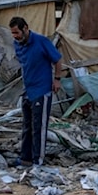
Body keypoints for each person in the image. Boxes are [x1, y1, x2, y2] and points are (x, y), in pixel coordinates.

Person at [10, 16, 62, 167]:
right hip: (28, 90)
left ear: (25, 28)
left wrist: (57, 79)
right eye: (12, 33)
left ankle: (37, 161)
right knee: (27, 126)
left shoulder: (41, 41)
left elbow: (58, 59)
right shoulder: (17, 44)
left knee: (39, 127)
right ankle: (25, 158)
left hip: (42, 90)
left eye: (17, 32)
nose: (15, 36)